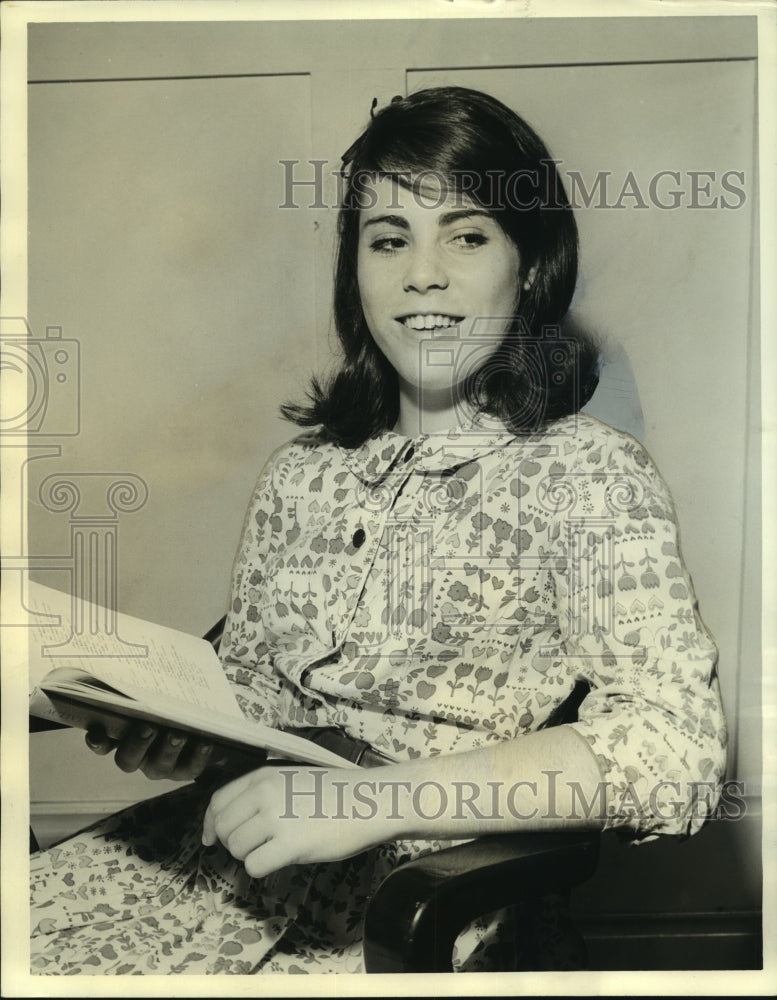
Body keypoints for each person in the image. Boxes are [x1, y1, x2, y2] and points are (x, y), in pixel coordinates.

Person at [29, 86, 727, 975]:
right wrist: (174, 732)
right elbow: (249, 698)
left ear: (530, 263)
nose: (421, 273)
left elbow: (676, 749)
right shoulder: (301, 474)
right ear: (354, 272)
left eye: (466, 235)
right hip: (207, 873)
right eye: (388, 238)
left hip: (418, 904)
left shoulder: (587, 475)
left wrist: (376, 801)